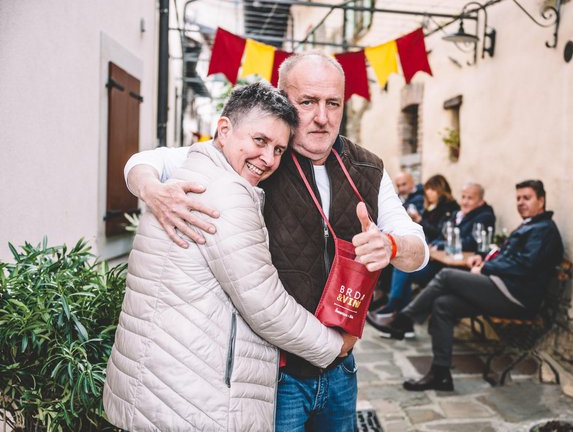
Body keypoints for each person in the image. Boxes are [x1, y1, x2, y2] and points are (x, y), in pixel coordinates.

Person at [121, 52, 428, 431]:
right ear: (283, 100)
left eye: (333, 103)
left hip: (341, 371)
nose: (322, 116)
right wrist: (153, 191)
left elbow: (418, 249)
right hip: (274, 375)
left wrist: (392, 246)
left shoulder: (368, 167)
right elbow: (143, 161)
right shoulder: (254, 156)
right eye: (308, 102)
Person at [368, 179, 563, 392]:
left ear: (541, 200)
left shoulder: (544, 229)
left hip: (517, 297)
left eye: (527, 198)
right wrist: (483, 259)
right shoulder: (531, 225)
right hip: (502, 288)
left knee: (447, 276)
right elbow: (509, 257)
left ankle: (404, 319)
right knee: (443, 305)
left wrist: (486, 268)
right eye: (518, 198)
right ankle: (441, 374)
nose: (521, 203)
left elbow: (524, 265)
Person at [374, 174, 458, 315]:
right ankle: (398, 315)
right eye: (428, 189)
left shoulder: (448, 209)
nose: (428, 193)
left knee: (405, 267)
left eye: (432, 189)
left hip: (438, 261)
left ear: (440, 190)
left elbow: (441, 233)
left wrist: (420, 220)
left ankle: (394, 307)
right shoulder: (430, 207)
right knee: (403, 266)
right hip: (429, 252)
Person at [429, 182, 496, 252]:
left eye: (470, 198)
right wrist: (434, 244)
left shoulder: (485, 217)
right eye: (463, 197)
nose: (464, 202)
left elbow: (470, 243)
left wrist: (439, 246)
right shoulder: (457, 213)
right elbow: (443, 235)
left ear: (481, 202)